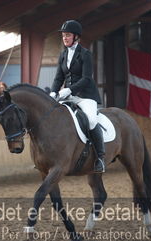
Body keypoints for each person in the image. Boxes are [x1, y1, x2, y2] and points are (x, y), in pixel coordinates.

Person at [50, 20, 105, 173]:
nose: (65, 38)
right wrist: (53, 92)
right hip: (68, 95)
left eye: (67, 35)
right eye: (63, 36)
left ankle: (100, 157)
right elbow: (58, 78)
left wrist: (69, 90)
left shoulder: (85, 54)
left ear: (76, 37)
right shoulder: (63, 55)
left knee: (92, 120)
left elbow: (86, 78)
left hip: (85, 95)